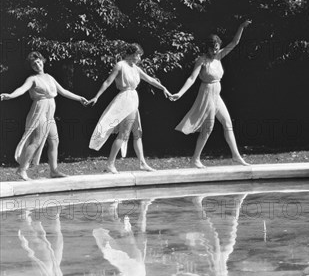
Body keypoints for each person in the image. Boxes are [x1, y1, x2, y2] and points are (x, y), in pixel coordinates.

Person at [171, 20, 252, 168]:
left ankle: (236, 156)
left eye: (217, 48)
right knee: (208, 129)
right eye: (212, 49)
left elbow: (234, 43)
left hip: (216, 95)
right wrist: (180, 93)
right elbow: (192, 78)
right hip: (206, 95)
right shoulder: (202, 60)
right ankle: (195, 159)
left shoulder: (219, 56)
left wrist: (240, 27)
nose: (215, 51)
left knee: (228, 124)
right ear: (207, 48)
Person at [0, 51, 88, 181]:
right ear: (32, 66)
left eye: (38, 61)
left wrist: (79, 98)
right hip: (39, 110)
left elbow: (63, 91)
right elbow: (22, 89)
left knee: (54, 141)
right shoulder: (32, 79)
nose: (37, 64)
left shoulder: (49, 77)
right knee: (36, 141)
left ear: (42, 61)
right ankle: (22, 169)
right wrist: (10, 95)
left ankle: (54, 170)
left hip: (50, 112)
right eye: (34, 63)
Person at [88, 43, 172, 174]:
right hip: (125, 100)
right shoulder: (120, 65)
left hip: (133, 99)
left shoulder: (135, 68)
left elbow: (150, 79)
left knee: (137, 132)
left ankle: (142, 163)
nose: (139, 57)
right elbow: (108, 81)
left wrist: (164, 88)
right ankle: (110, 164)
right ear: (131, 54)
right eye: (138, 54)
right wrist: (97, 96)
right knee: (124, 133)